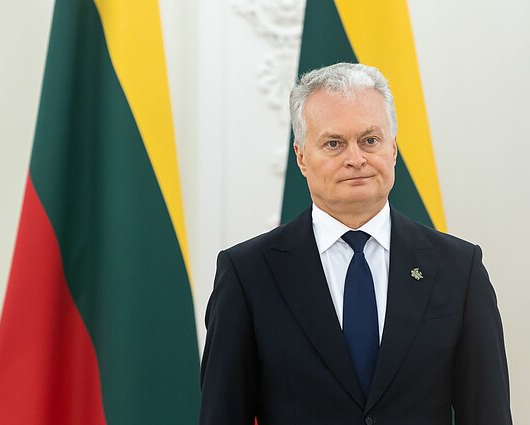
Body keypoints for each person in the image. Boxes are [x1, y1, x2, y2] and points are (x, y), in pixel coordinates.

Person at [199, 63, 512, 425]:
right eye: (334, 144)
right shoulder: (248, 274)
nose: (356, 159)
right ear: (302, 157)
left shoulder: (459, 268)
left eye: (370, 140)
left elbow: (488, 414)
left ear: (392, 149)